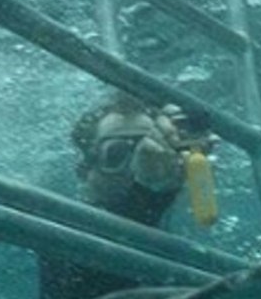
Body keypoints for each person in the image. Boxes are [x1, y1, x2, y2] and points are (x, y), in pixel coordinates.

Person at [37, 94, 214, 299]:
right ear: (85, 171)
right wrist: (151, 194)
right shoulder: (62, 235)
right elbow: (87, 283)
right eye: (117, 154)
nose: (137, 166)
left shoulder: (186, 220)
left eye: (149, 150)